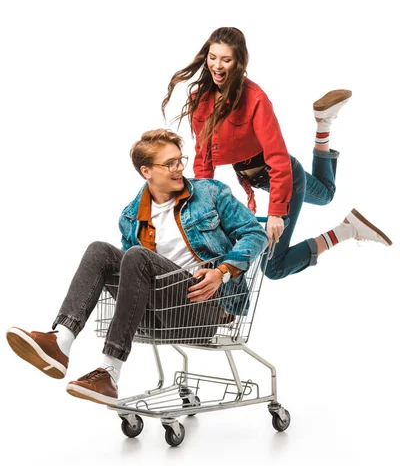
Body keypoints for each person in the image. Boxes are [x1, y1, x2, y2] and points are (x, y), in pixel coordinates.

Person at [6, 129, 267, 406]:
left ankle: (110, 371)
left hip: (205, 310)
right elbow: (127, 275)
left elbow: (256, 234)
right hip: (156, 315)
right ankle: (62, 340)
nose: (179, 168)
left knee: (136, 256)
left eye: (180, 160)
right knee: (100, 250)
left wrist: (222, 272)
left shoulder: (210, 194)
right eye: (170, 164)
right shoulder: (131, 216)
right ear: (146, 171)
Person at [162, 27, 392, 280]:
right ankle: (323, 124)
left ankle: (346, 231)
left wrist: (276, 212)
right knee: (326, 194)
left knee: (274, 267)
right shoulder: (200, 98)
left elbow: (278, 157)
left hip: (283, 176)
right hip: (262, 180)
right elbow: (203, 158)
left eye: (226, 59)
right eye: (212, 57)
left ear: (239, 61)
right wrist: (203, 205)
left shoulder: (254, 98)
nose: (217, 65)